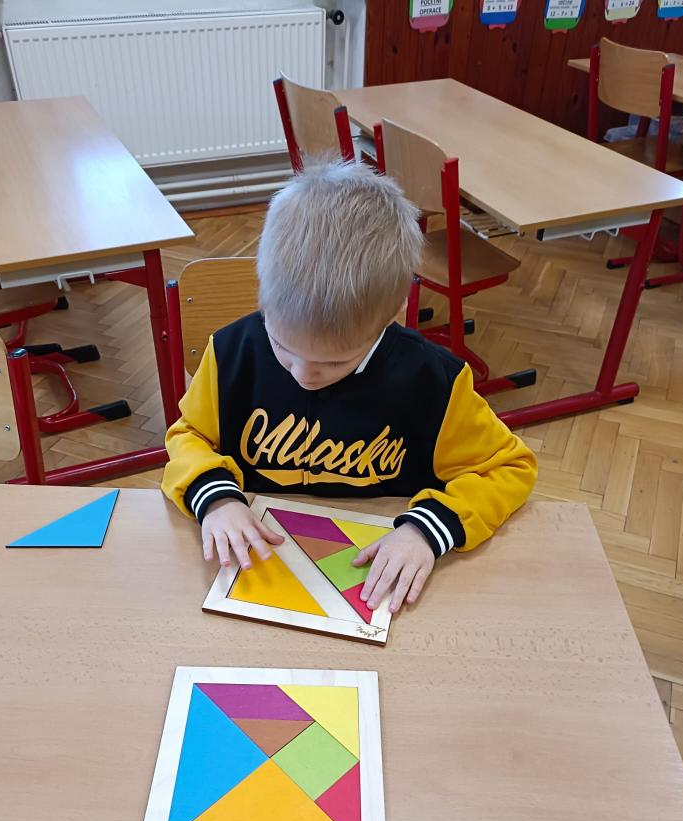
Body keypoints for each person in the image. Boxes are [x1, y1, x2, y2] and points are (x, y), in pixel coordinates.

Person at [162, 160, 537, 619]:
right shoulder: (231, 353)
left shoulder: (433, 380)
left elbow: (509, 468)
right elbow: (190, 436)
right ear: (264, 299)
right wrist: (217, 499)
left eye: (335, 361)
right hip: (261, 567)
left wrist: (425, 531)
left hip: (379, 576)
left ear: (391, 315)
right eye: (283, 348)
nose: (303, 374)